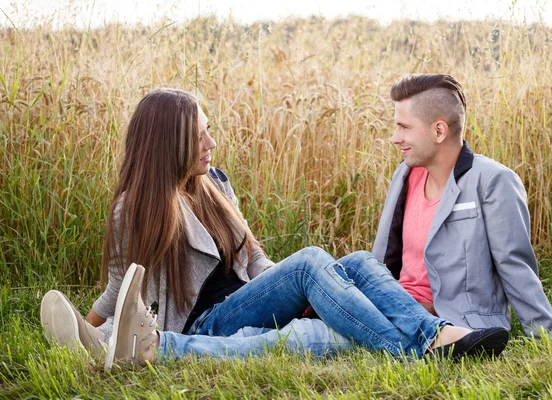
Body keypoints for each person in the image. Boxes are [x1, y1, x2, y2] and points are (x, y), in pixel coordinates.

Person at [40, 88, 508, 371]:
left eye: (209, 130)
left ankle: (433, 334)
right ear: (169, 143)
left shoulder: (214, 185)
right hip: (207, 321)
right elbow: (120, 287)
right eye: (198, 135)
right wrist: (93, 327)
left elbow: (256, 262)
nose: (212, 143)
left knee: (357, 264)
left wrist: (311, 291)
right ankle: (426, 344)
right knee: (309, 263)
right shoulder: (137, 207)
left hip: (250, 301)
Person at [372, 74, 552, 337]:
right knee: (316, 271)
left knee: (300, 330)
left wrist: (546, 336)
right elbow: (384, 256)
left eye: (404, 127)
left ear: (439, 131)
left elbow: (514, 265)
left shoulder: (492, 181)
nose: (394, 138)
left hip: (447, 321)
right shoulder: (405, 175)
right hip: (388, 310)